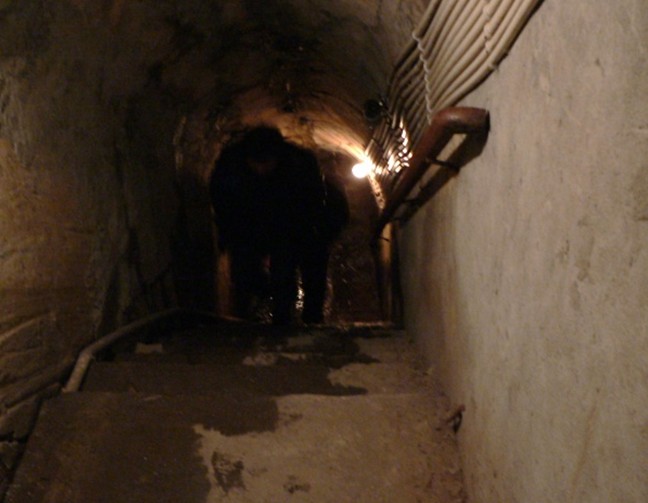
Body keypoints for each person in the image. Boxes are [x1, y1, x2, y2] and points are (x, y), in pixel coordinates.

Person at [209, 126, 349, 325]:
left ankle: (313, 320)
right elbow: (224, 203)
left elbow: (312, 205)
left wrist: (305, 235)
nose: (261, 169)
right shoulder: (231, 166)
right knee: (277, 274)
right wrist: (233, 235)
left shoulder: (300, 165)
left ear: (277, 156)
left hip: (309, 225)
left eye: (266, 162)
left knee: (312, 271)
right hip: (265, 223)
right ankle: (281, 318)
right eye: (256, 163)